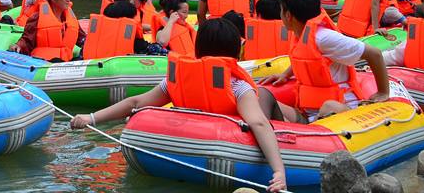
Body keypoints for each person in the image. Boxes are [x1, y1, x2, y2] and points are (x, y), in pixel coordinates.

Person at [70, 19, 288, 193]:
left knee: (266, 96)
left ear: (198, 47)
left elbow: (135, 102)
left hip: (184, 146)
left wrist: (92, 117)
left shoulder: (178, 79)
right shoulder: (238, 86)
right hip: (225, 146)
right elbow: (259, 123)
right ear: (235, 52)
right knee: (266, 96)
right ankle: (300, 119)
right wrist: (279, 171)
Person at [265, 0, 391, 123]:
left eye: (281, 11)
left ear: (288, 15)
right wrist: (285, 75)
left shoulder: (324, 37)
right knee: (264, 97)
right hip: (309, 113)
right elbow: (304, 61)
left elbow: (375, 54)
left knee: (328, 106)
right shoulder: (301, 34)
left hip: (339, 110)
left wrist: (383, 92)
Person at [11, 0, 83, 60]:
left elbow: (82, 39)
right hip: (43, 62)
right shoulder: (37, 17)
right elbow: (27, 41)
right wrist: (18, 45)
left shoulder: (70, 20)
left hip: (64, 63)